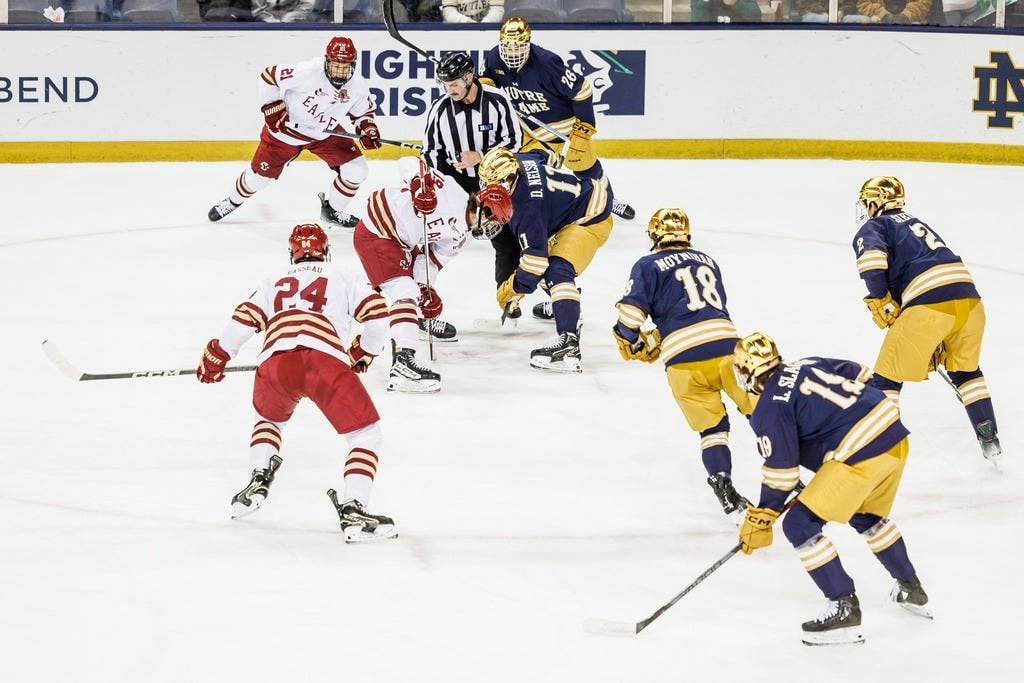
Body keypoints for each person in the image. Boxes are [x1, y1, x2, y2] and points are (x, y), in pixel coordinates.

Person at [196, 223, 398, 544]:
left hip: (275, 363)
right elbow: (377, 313)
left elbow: (244, 319)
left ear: (292, 254)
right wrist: (365, 350)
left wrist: (219, 355)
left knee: (268, 421)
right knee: (365, 434)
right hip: (323, 362)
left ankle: (258, 478)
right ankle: (354, 508)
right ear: (326, 251)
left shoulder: (273, 279)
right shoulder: (343, 274)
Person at [733, 332, 931, 646]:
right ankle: (910, 587)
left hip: (860, 452)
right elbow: (862, 374)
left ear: (746, 372)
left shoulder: (769, 406)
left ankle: (843, 607)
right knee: (865, 515)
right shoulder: (807, 363)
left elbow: (782, 476)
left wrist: (764, 514)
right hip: (893, 436)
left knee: (799, 525)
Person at [480, 17, 636, 321]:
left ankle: (608, 198)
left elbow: (583, 91)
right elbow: (489, 80)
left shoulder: (548, 63)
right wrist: (486, 85)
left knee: (582, 164)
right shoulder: (493, 58)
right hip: (530, 132)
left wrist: (584, 128)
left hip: (564, 128)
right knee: (532, 176)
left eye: (518, 47)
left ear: (528, 44)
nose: (512, 53)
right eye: (507, 47)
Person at [613, 208, 756, 519]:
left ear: (654, 234)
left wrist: (632, 339)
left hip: (682, 360)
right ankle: (790, 473)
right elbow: (704, 309)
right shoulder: (708, 260)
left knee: (712, 430)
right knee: (761, 412)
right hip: (729, 349)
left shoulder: (647, 264)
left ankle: (723, 484)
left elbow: (631, 317)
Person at [853, 176, 1001, 463]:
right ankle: (989, 439)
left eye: (867, 202)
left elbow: (872, 265)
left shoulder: (875, 226)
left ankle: (880, 451)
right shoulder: (916, 223)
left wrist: (881, 298)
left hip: (928, 305)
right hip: (970, 302)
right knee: (966, 373)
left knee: (886, 379)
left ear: (876, 202)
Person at [208, 36, 382, 230]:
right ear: (327, 61)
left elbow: (364, 113)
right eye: (335, 65)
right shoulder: (308, 71)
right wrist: (271, 107)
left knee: (357, 169)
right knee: (258, 179)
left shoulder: (357, 85)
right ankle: (232, 201)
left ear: (353, 65)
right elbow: (268, 76)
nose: (339, 71)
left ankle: (332, 212)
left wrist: (368, 129)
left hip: (323, 134)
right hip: (284, 133)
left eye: (345, 66)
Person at [352, 156, 487, 393]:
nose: (491, 227)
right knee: (404, 291)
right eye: (492, 219)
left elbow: (429, 261)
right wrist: (418, 186)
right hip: (378, 228)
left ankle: (407, 326)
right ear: (482, 206)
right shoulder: (452, 192)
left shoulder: (462, 239)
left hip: (402, 243)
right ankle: (402, 365)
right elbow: (409, 162)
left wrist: (426, 290)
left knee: (412, 292)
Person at [478, 146, 613, 373]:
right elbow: (545, 155)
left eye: (493, 184)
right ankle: (566, 307)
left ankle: (569, 344)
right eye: (484, 182)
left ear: (509, 180)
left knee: (556, 270)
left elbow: (535, 264)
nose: (487, 189)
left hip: (592, 216)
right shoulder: (519, 161)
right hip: (583, 198)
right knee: (543, 261)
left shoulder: (525, 208)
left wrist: (512, 289)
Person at [422, 50, 524, 314]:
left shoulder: (497, 101)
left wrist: (480, 156)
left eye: (454, 83)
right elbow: (430, 152)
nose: (449, 89)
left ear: (469, 77)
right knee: (436, 239)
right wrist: (444, 182)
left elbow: (515, 142)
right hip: (456, 185)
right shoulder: (440, 109)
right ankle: (420, 298)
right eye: (445, 84)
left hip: (493, 183)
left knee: (506, 242)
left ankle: (508, 298)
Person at [857, 0, 933, 23]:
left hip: (910, 21)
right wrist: (884, 15)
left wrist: (905, 16)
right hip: (879, 20)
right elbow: (863, 3)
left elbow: (924, 3)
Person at [690, 0, 764, 22]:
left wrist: (736, 3)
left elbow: (756, 17)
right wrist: (705, 2)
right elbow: (695, 24)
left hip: (738, 39)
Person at [796, 0, 870, 21]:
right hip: (814, 14)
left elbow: (851, 3)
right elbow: (806, 3)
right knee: (822, 20)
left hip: (841, 17)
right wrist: (821, 11)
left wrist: (842, 10)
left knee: (866, 20)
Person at [440, 0, 504, 22]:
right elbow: (448, 11)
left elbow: (497, 9)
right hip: (459, 29)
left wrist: (485, 23)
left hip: (488, 29)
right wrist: (465, 21)